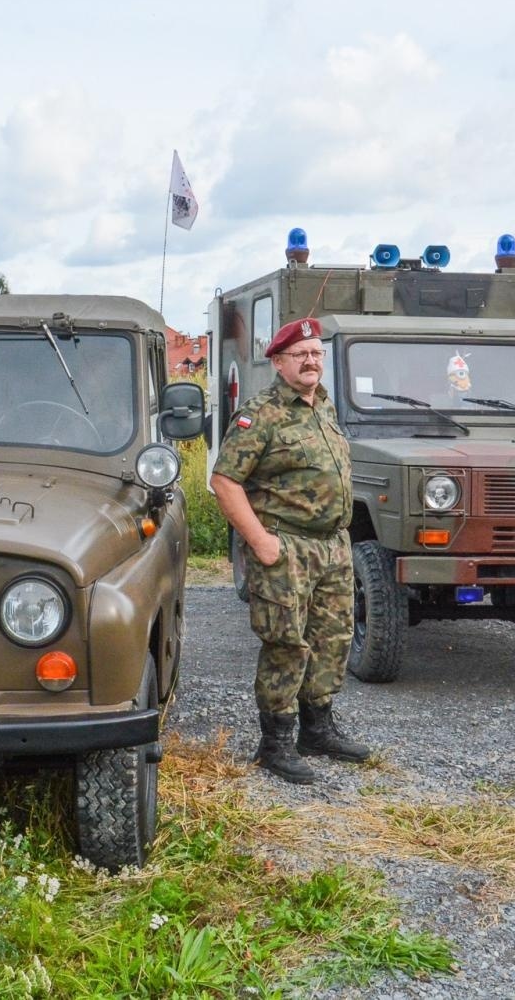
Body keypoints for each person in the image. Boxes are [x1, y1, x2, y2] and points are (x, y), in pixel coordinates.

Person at [210, 317, 373, 784]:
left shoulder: (324, 408)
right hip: (288, 547)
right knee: (286, 643)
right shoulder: (259, 414)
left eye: (317, 354)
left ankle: (317, 729)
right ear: (279, 362)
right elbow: (224, 481)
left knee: (332, 640)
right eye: (300, 354)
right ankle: (276, 743)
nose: (311, 361)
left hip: (332, 547)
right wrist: (260, 542)